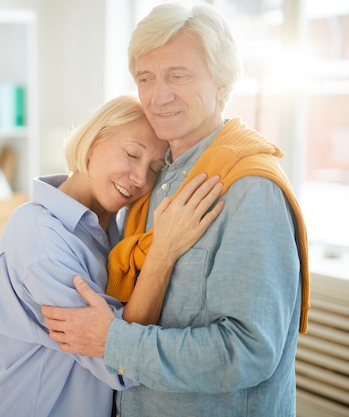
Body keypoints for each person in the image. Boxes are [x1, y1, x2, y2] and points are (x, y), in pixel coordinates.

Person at [42, 3, 310, 417]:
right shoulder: (149, 184)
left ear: (222, 84)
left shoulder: (249, 189)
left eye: (178, 76)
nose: (157, 96)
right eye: (145, 78)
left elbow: (248, 352)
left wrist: (113, 342)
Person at [0, 94, 224, 417]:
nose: (140, 179)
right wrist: (164, 252)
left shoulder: (116, 234)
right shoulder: (39, 237)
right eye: (132, 154)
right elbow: (121, 364)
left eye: (154, 169)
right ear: (93, 142)